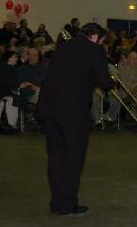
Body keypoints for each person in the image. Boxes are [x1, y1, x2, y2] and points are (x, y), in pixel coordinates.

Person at [37, 23, 113, 216]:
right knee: (73, 159)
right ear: (96, 37)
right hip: (73, 112)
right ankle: (68, 203)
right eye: (102, 41)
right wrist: (110, 81)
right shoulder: (95, 50)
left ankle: (56, 201)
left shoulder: (63, 47)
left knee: (55, 157)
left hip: (49, 110)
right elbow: (104, 82)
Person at [0, 51, 21, 132]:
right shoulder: (0, 68)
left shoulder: (13, 69)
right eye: (15, 57)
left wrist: (14, 89)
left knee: (12, 100)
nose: (17, 59)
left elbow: (14, 82)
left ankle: (10, 124)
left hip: (7, 92)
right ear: (9, 58)